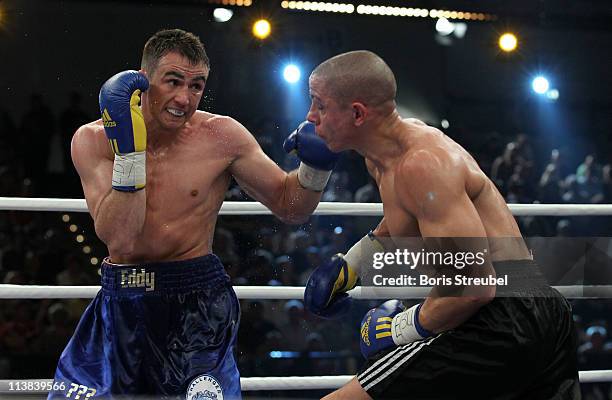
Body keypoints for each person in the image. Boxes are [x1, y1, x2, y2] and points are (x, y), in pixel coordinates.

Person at [48, 28, 338, 399]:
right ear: (142, 81)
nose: (184, 98)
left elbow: (290, 206)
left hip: (197, 306)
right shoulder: (93, 140)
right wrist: (130, 151)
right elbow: (121, 237)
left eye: (197, 85)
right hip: (121, 301)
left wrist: (317, 164)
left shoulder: (222, 136)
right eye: (172, 81)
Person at [303, 51, 580, 399]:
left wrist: (397, 329)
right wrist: (353, 264)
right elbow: (407, 214)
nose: (310, 117)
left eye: (319, 105)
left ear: (357, 113)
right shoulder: (384, 157)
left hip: (496, 319)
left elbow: (474, 286)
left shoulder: (422, 164)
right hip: (536, 311)